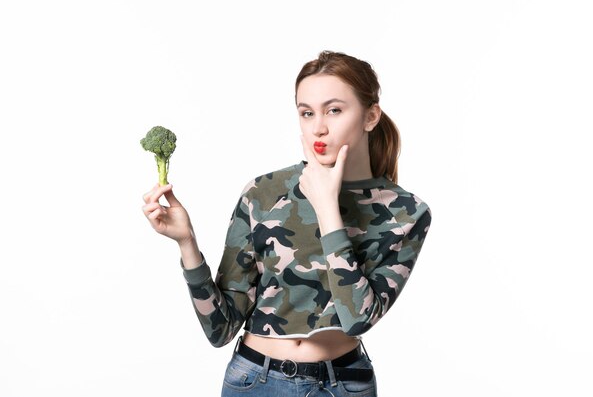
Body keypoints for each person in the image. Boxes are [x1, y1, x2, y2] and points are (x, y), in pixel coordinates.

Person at [142, 51, 432, 397]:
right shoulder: (263, 193)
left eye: (334, 110)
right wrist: (186, 243)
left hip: (342, 386)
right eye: (307, 112)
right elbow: (220, 330)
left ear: (371, 116)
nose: (318, 127)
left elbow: (358, 318)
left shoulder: (406, 212)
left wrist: (327, 208)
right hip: (253, 381)